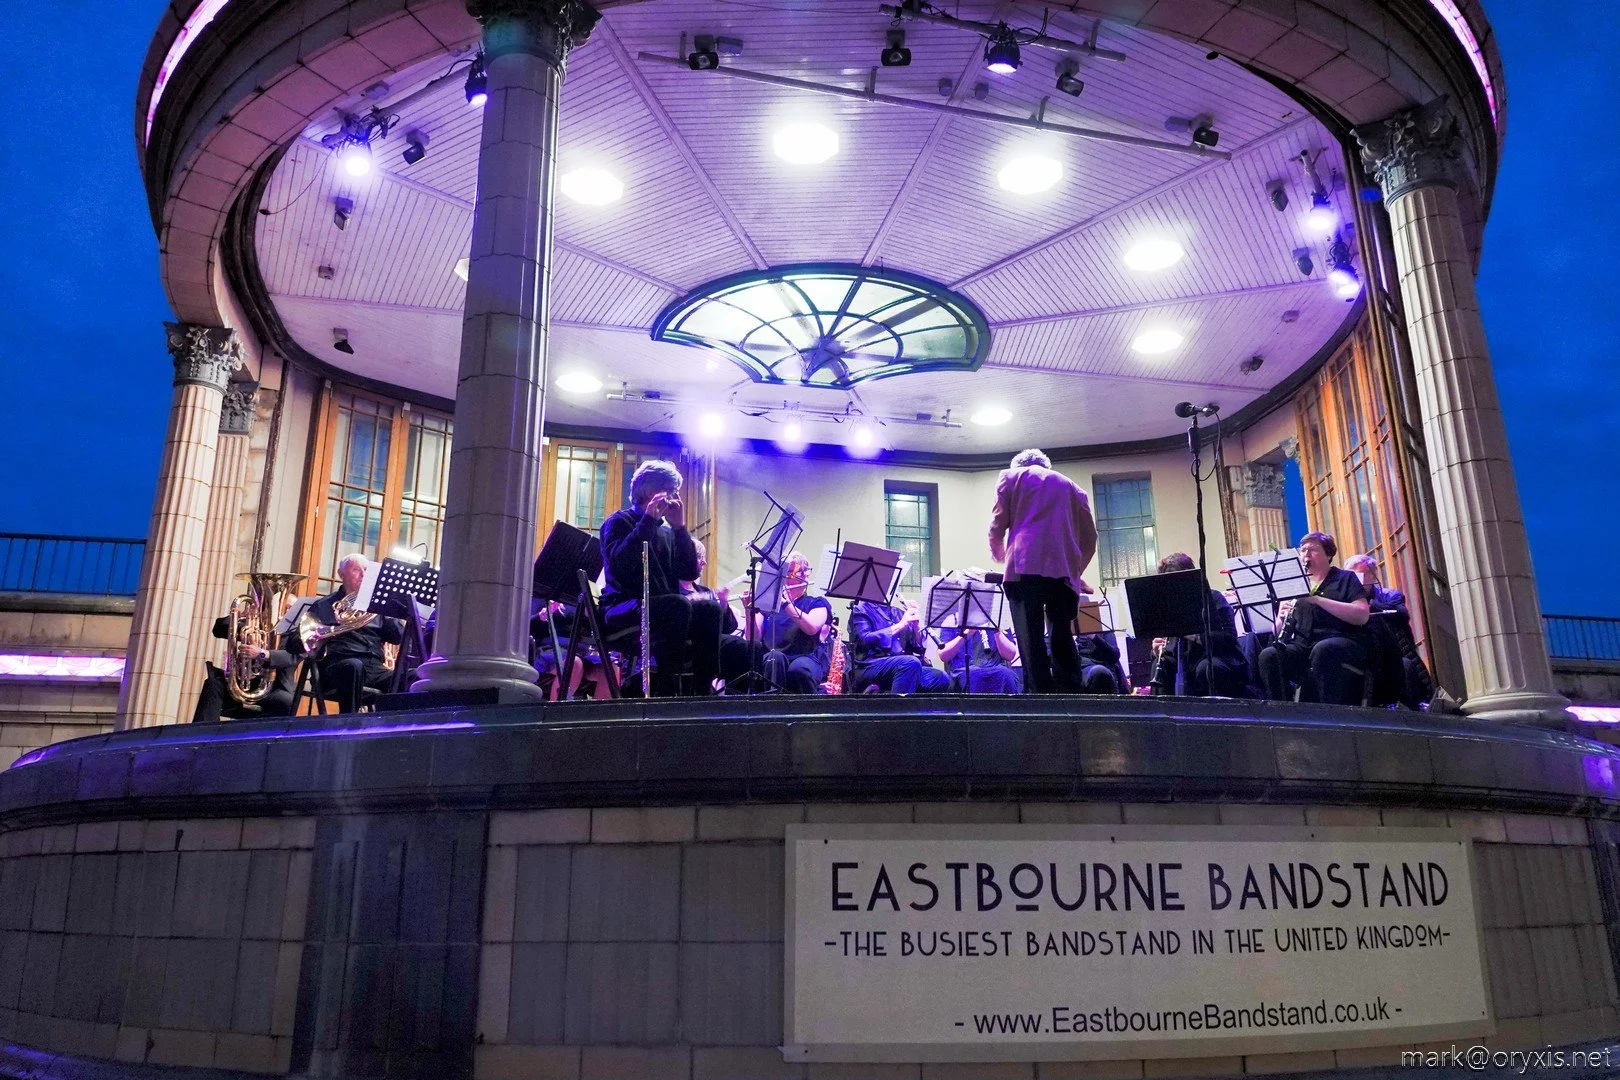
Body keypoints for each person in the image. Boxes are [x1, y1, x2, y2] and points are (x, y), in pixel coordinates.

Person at [599, 460, 726, 696]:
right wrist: (647, 521)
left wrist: (679, 528)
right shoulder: (618, 522)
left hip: (663, 607)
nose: (675, 497)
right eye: (671, 490)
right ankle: (669, 686)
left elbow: (689, 572)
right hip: (623, 606)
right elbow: (622, 567)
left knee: (709, 608)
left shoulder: (667, 532)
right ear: (650, 491)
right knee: (676, 605)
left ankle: (703, 689)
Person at [988, 448, 1098, 693]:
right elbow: (1090, 539)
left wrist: (1001, 558)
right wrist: (1076, 572)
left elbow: (997, 525)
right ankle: (1071, 695)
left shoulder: (1011, 477)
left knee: (1030, 639)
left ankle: (1039, 699)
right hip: (1063, 573)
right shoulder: (1073, 488)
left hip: (1024, 568)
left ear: (1019, 465)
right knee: (1062, 636)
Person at [1258, 532, 1370, 704]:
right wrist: (1280, 617)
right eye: (1303, 550)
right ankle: (1283, 712)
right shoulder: (1295, 584)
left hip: (1340, 638)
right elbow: (1276, 632)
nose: (1306, 555)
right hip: (1303, 645)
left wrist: (1317, 600)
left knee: (1323, 649)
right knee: (1269, 655)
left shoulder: (1345, 578)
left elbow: (1362, 615)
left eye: (1313, 549)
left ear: (1329, 554)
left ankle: (1329, 714)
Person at [1147, 552, 1255, 698]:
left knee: (1206, 667)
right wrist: (1157, 651)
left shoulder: (1214, 598)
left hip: (1219, 657)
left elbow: (1229, 638)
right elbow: (1172, 649)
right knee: (1159, 667)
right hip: (1186, 662)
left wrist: (1195, 635)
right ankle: (1164, 717)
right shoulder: (1170, 606)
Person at [306, 553, 404, 713]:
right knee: (353, 666)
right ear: (341, 574)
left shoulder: (377, 607)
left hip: (373, 668)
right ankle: (348, 724)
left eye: (366, 570)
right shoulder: (324, 606)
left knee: (410, 676)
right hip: (338, 665)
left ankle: (395, 727)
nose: (363, 575)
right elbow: (297, 642)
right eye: (356, 570)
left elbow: (397, 637)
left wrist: (390, 609)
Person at [1345, 553, 1436, 709]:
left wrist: (1367, 606)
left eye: (1361, 574)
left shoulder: (1389, 595)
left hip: (1396, 653)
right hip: (1364, 656)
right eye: (1351, 575)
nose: (1356, 580)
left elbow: (1401, 615)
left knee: (1406, 670)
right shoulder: (1345, 602)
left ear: (1373, 576)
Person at [733, 551, 832, 693]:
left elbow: (812, 627)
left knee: (800, 670)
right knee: (774, 659)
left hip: (805, 657)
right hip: (774, 655)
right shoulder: (768, 605)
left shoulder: (817, 603)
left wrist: (787, 604)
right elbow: (753, 638)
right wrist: (749, 610)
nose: (804, 575)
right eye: (792, 571)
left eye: (804, 570)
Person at [190, 609, 301, 723]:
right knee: (213, 684)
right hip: (245, 683)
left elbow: (292, 657)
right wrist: (236, 617)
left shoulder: (296, 636)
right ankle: (201, 733)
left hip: (275, 689)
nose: (288, 610)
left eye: (292, 607)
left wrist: (261, 653)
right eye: (285, 607)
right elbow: (218, 630)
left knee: (287, 703)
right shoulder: (257, 626)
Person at [932, 570, 1021, 694]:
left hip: (995, 669)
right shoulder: (952, 620)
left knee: (1006, 674)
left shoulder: (997, 618)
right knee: (974, 674)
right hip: (963, 670)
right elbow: (944, 655)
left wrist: (996, 630)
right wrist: (966, 634)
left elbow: (1010, 655)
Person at [848, 593, 951, 695]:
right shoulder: (861, 609)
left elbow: (916, 648)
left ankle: (907, 707)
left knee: (940, 677)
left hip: (902, 665)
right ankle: (897, 709)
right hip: (870, 665)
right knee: (909, 663)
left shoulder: (897, 612)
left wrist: (916, 627)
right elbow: (866, 640)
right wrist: (901, 625)